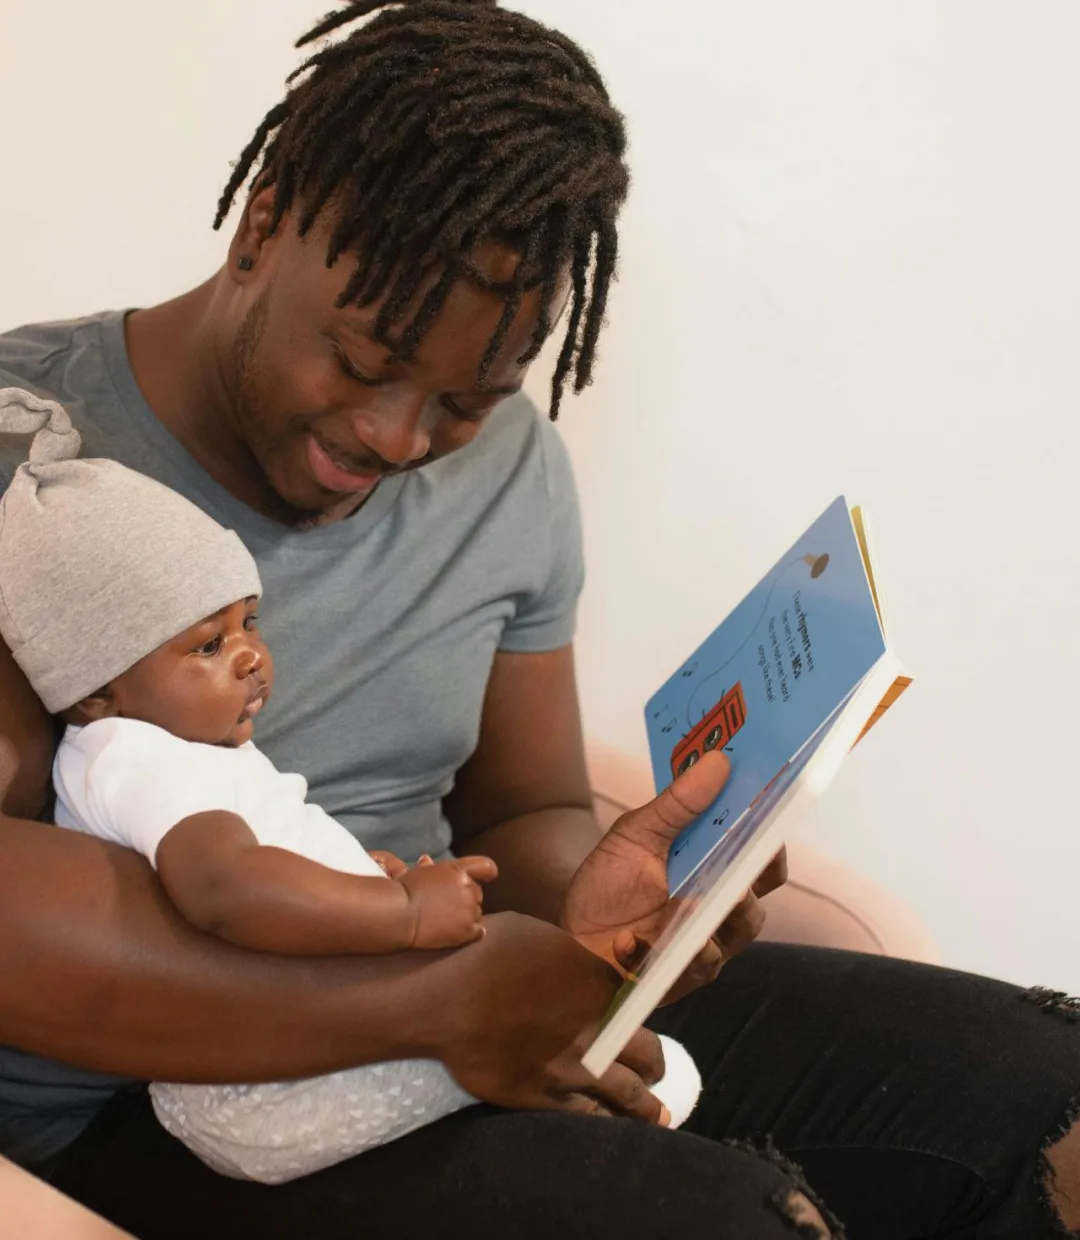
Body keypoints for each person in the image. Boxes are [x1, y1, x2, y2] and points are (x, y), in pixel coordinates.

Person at [0, 2, 1077, 1237]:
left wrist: (618, 902)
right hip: (160, 1102)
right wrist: (432, 1000)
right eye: (360, 361)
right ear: (262, 225)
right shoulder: (28, 455)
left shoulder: (508, 466)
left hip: (464, 986)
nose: (398, 438)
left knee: (1037, 1082)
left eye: (467, 395)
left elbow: (523, 814)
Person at [0, 385, 700, 1183]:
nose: (251, 657)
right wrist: (397, 913)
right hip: (255, 1089)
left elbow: (269, 869)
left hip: (293, 1055)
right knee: (643, 1078)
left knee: (622, 1058)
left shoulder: (178, 747)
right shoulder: (138, 756)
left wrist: (363, 884)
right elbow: (226, 888)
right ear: (95, 691)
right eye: (205, 646)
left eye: (248, 624)